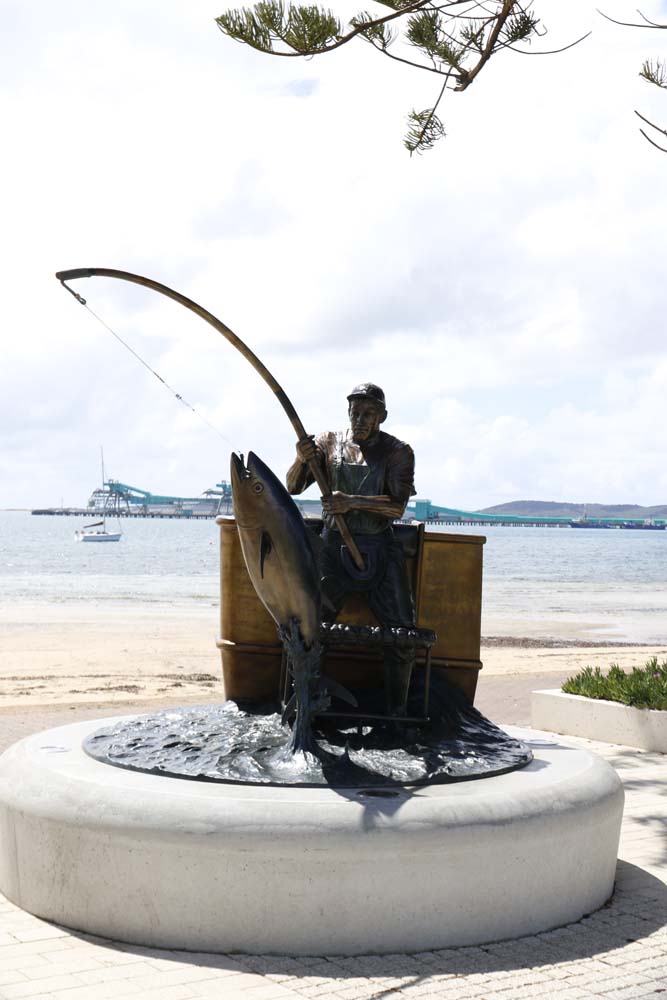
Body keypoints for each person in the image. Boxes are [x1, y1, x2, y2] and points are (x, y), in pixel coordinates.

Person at [286, 383, 417, 716]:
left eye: (368, 413)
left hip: (380, 550)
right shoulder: (328, 443)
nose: (359, 419)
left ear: (382, 417)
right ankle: (303, 706)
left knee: (403, 636)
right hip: (333, 550)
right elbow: (292, 486)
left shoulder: (398, 452)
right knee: (309, 631)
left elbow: (397, 507)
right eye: (355, 412)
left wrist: (352, 502)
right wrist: (301, 459)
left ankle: (397, 715)